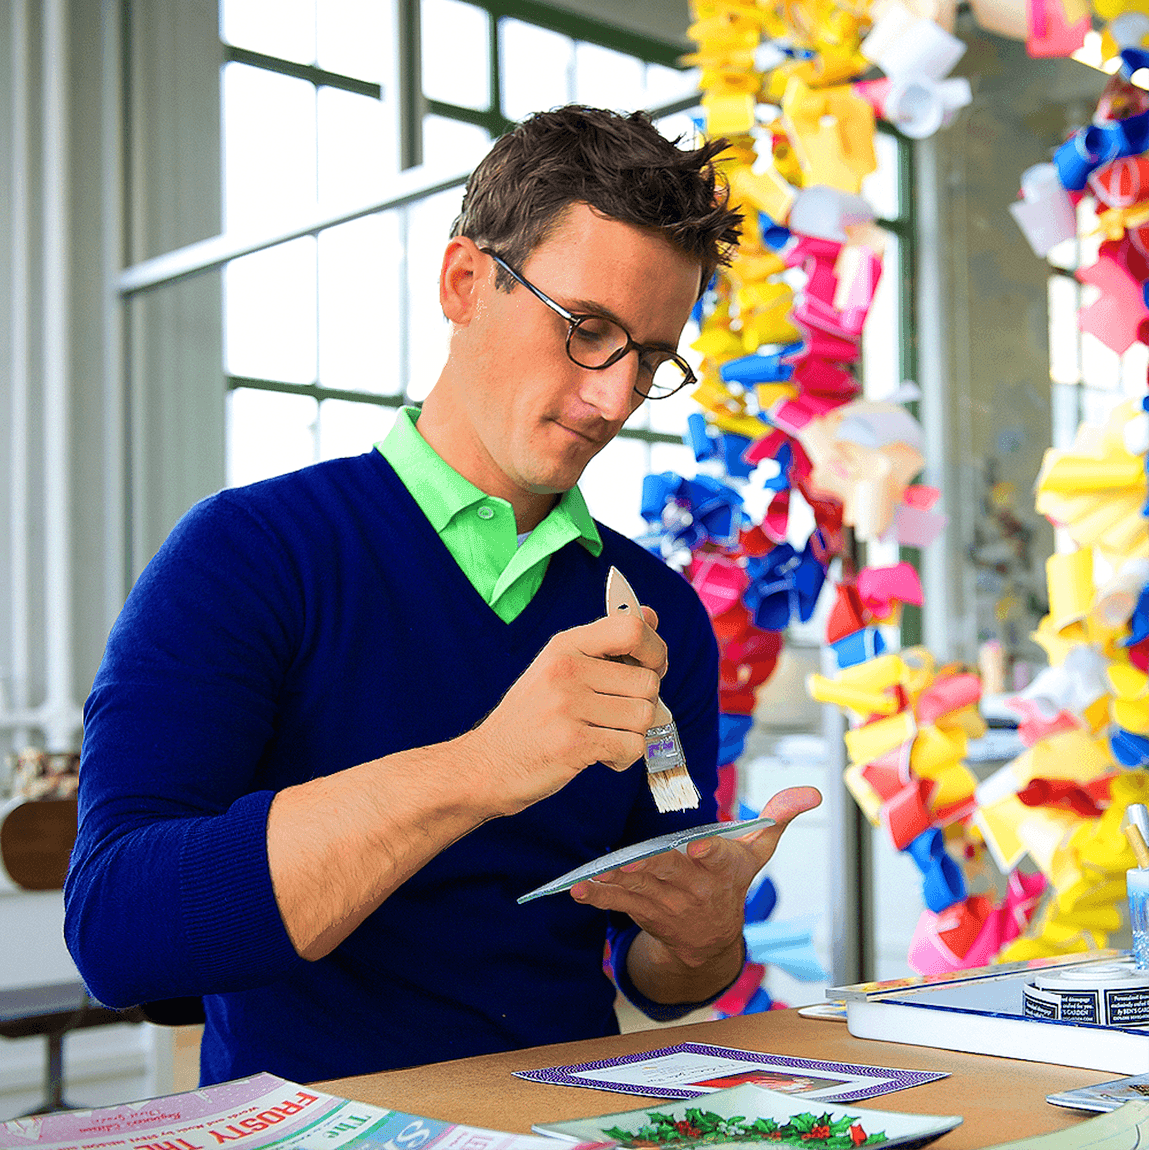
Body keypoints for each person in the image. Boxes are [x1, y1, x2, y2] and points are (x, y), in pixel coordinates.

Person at [64, 106, 821, 1087]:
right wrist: (482, 766)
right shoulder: (248, 556)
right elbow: (118, 930)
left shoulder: (657, 611)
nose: (614, 399)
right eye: (587, 330)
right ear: (465, 282)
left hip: (570, 1118)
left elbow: (665, 971)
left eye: (652, 358)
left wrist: (704, 937)